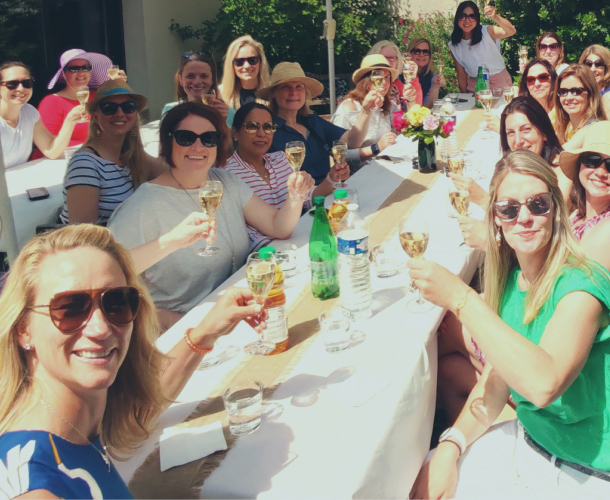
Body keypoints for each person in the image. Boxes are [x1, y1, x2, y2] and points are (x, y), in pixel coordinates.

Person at [0, 224, 269, 498]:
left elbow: (141, 405)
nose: (100, 328)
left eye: (116, 302)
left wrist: (204, 333)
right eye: (70, 308)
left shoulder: (79, 417)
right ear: (23, 328)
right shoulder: (34, 484)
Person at [409, 149, 610, 499]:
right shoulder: (513, 280)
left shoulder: (583, 285)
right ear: (496, 218)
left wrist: (461, 298)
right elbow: (498, 379)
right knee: (417, 483)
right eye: (509, 209)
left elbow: (543, 384)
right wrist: (450, 446)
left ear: (557, 211)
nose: (525, 217)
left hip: (585, 474)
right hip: (528, 443)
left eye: (538, 204)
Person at [108, 102, 311, 329]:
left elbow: (278, 227)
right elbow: (107, 274)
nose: (198, 146)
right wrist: (171, 241)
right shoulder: (144, 205)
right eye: (186, 138)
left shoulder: (225, 182)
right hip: (187, 327)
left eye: (208, 138)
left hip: (237, 312)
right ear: (168, 141)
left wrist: (296, 195)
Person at [456, 96, 569, 251]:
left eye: (526, 129)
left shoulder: (562, 175)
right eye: (510, 132)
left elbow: (540, 244)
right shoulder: (516, 171)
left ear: (544, 133)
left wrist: (484, 201)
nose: (518, 141)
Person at [59, 80, 166, 225]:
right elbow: (83, 236)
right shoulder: (85, 165)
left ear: (135, 115)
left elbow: (172, 176)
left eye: (128, 107)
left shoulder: (130, 155)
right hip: (104, 245)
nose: (120, 113)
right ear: (96, 117)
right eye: (109, 108)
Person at [226, 102, 315, 250]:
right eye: (252, 127)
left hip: (299, 236)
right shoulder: (228, 174)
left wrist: (332, 179)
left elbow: (308, 195)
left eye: (268, 127)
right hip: (267, 252)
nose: (261, 133)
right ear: (235, 133)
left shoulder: (280, 158)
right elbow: (241, 229)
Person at [259, 62, 366, 185]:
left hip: (331, 193)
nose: (293, 92)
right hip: (298, 200)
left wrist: (366, 110)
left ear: (305, 93)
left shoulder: (313, 122)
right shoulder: (268, 132)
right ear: (273, 93)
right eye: (285, 87)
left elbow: (352, 142)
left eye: (299, 87)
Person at [30, 49, 125, 160]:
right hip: (57, 162)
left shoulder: (98, 95)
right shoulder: (51, 102)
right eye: (74, 69)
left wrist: (120, 87)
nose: (81, 73)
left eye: (86, 68)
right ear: (63, 74)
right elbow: (49, 144)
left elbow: (124, 116)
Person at [0, 61, 82, 168]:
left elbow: (51, 150)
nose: (20, 88)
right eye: (12, 84)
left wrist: (70, 122)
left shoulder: (29, 112)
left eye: (26, 83)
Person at [559, 121, 610, 270]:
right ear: (579, 164)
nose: (600, 172)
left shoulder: (606, 230)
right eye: (592, 160)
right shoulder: (577, 215)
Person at [331, 54, 398, 152]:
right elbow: (340, 154)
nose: (383, 82)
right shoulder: (349, 108)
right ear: (365, 81)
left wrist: (411, 100)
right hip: (360, 167)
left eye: (387, 77)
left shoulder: (389, 105)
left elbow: (404, 132)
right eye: (378, 76)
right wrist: (376, 148)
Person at [448, 1, 515, 93]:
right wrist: (464, 96)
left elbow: (511, 31)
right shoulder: (454, 45)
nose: (467, 20)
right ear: (457, 18)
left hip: (500, 85)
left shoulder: (487, 31)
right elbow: (461, 76)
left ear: (477, 19)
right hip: (476, 86)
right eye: (463, 16)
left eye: (472, 16)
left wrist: (495, 17)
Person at [162, 51, 233, 125]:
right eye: (190, 76)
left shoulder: (227, 112)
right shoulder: (170, 110)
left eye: (204, 76)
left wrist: (222, 121)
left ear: (212, 80)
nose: (197, 81)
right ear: (180, 80)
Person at [554, 64, 606, 144]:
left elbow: (561, 156)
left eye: (576, 91)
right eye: (563, 92)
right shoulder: (567, 130)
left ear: (590, 93)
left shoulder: (594, 129)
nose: (569, 97)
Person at [219, 35, 271, 110]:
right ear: (231, 65)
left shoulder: (272, 94)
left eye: (252, 60)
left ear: (260, 62)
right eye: (239, 61)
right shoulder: (221, 95)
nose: (246, 66)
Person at [367, 40, 420, 108]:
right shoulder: (370, 84)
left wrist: (413, 79)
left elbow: (416, 108)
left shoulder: (396, 86)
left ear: (397, 62)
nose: (388, 62)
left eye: (392, 58)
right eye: (384, 57)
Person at [406, 37, 446, 108]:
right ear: (410, 54)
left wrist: (435, 86)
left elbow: (429, 109)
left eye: (425, 52)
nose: (421, 55)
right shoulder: (401, 76)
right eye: (417, 51)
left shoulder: (432, 78)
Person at [579, 44, 610, 117]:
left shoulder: (608, 96)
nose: (593, 69)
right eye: (588, 64)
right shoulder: (582, 92)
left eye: (599, 64)